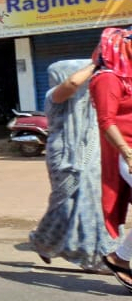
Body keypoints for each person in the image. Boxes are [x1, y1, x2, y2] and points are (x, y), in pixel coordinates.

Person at [29, 59, 114, 272]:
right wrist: (96, 63)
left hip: (92, 153)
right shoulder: (54, 95)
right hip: (64, 156)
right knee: (64, 204)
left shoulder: (92, 100)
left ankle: (96, 254)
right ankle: (46, 241)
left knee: (94, 202)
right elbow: (73, 84)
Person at [92, 28, 132, 244]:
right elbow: (106, 121)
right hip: (126, 153)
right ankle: (120, 258)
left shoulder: (129, 78)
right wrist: (127, 153)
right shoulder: (106, 79)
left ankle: (121, 258)